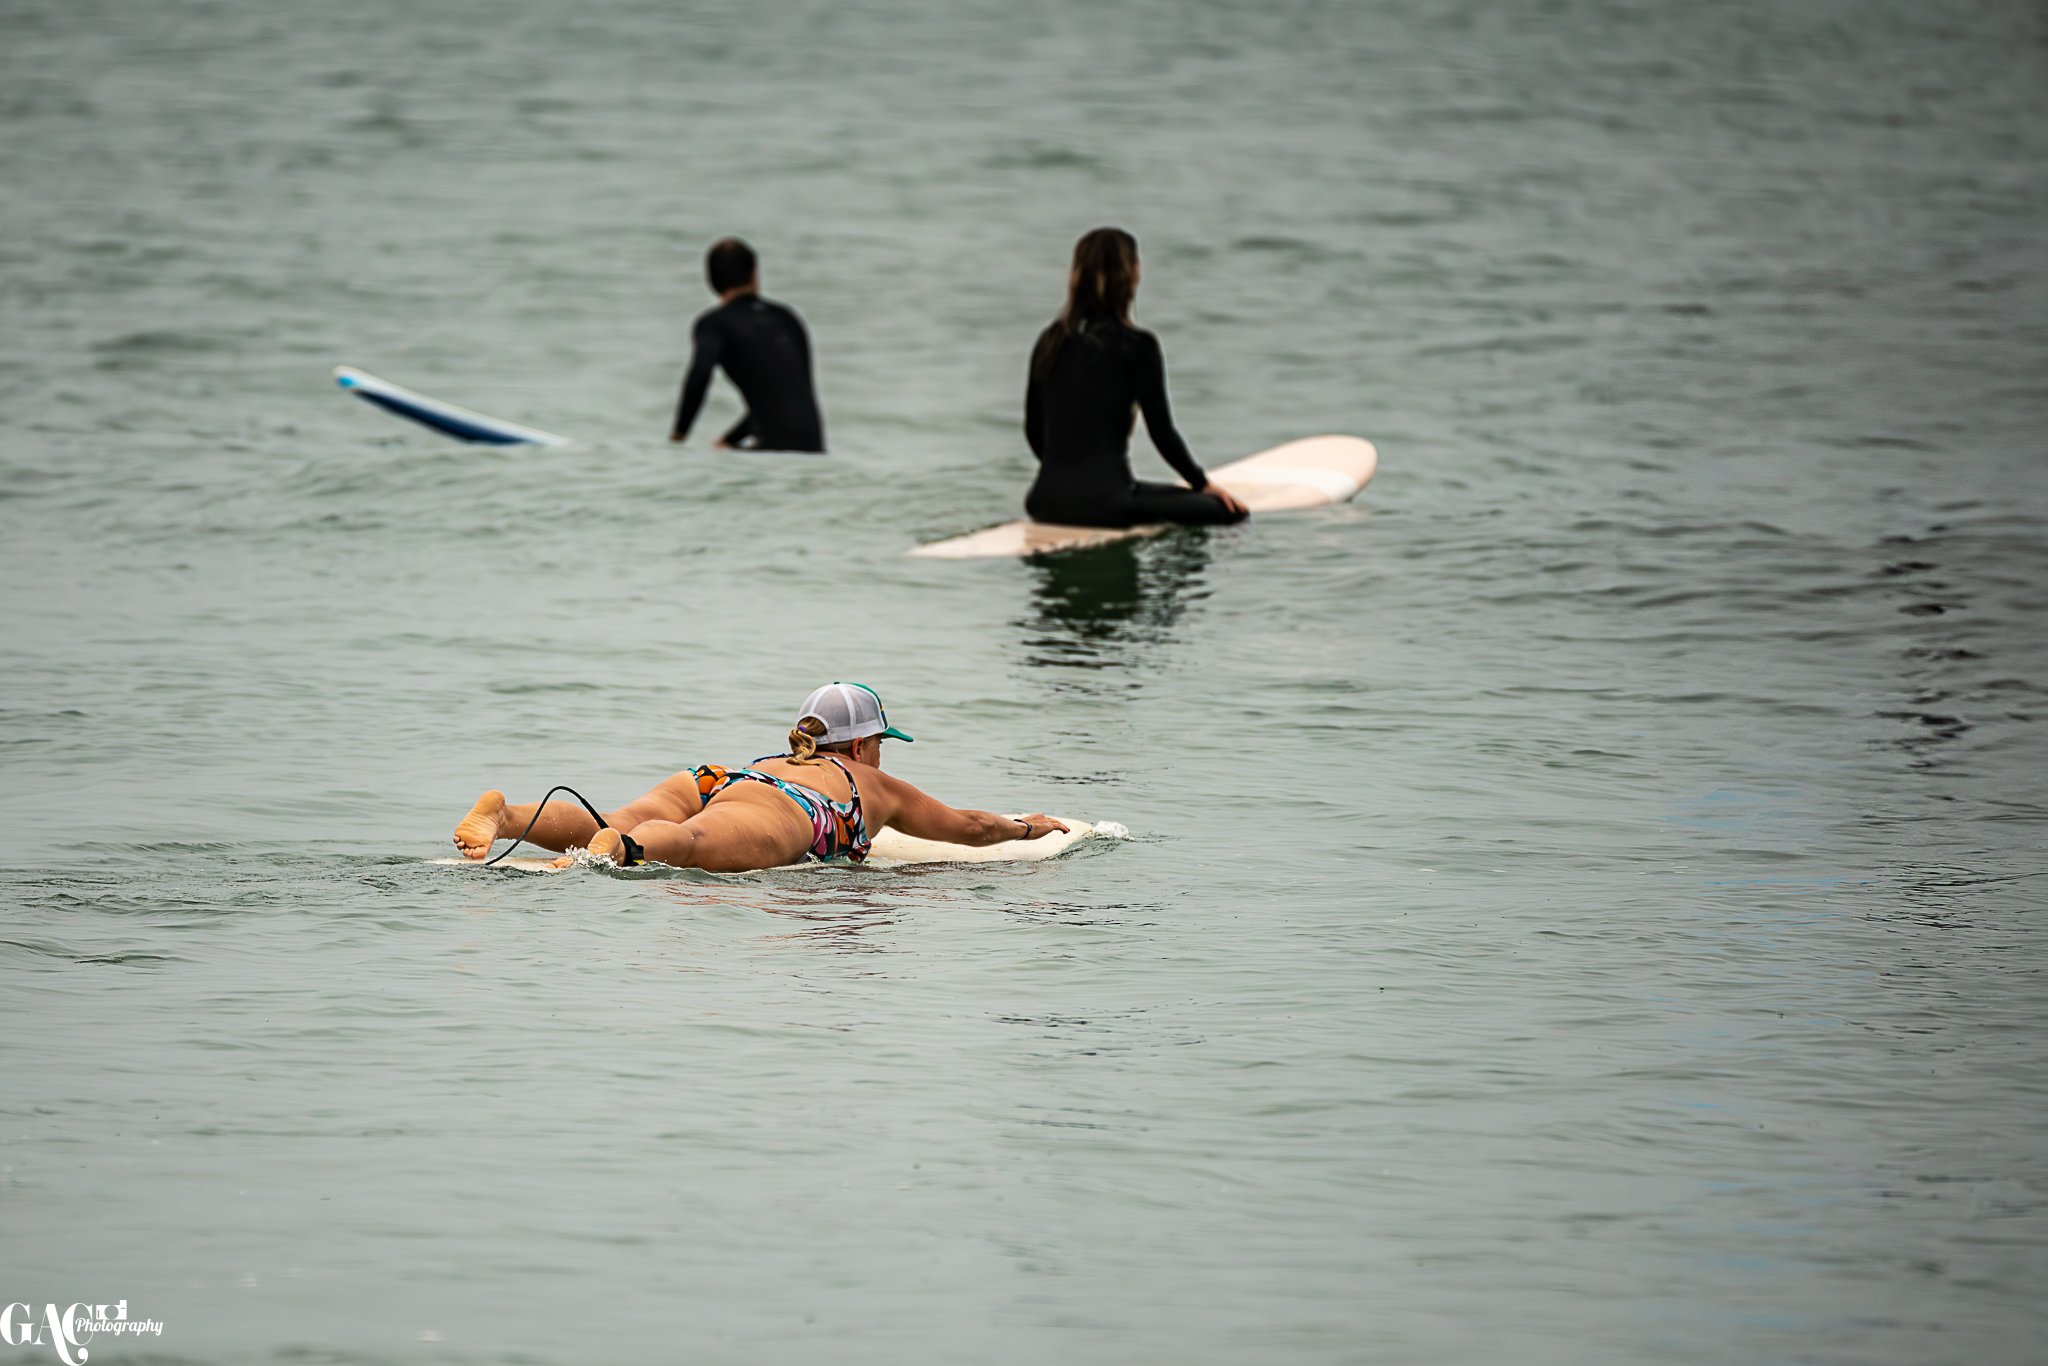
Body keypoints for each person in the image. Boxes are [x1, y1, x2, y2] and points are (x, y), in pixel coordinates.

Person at [450, 683, 1067, 872]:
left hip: (722, 776)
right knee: (687, 843)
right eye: (880, 742)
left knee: (616, 815)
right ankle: (624, 850)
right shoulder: (869, 784)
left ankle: (506, 817)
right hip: (794, 810)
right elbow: (969, 827)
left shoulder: (781, 758)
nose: (881, 754)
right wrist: (1025, 828)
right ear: (860, 743)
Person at [1023, 227, 1249, 529]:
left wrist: (1069, 479)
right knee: (1228, 512)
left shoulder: (1049, 340)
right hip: (1108, 506)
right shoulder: (1138, 345)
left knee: (1155, 492)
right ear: (1133, 275)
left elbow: (1034, 430)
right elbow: (1162, 432)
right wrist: (1201, 483)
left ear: (1076, 274)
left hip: (1044, 502)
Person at [669, 237, 826, 453]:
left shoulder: (714, 324)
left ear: (710, 281)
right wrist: (728, 440)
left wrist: (679, 436)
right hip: (813, 449)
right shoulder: (787, 318)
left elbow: (700, 375)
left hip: (771, 452)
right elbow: (786, 396)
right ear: (754, 274)